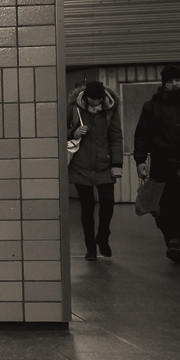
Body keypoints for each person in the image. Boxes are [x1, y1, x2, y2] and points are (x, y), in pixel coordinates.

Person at [134, 65, 180, 265]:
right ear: (164, 84)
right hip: (162, 162)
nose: (175, 84)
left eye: (178, 80)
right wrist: (140, 160)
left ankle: (178, 240)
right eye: (170, 81)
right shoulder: (152, 106)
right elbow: (142, 134)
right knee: (161, 205)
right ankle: (172, 240)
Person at [66, 80, 122, 260]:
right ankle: (90, 248)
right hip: (81, 164)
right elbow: (59, 132)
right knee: (87, 207)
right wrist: (74, 133)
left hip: (104, 164)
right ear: (85, 96)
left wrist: (117, 164)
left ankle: (103, 236)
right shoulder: (74, 109)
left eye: (99, 99)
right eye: (92, 99)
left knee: (107, 202)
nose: (96, 102)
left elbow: (116, 137)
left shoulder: (111, 110)